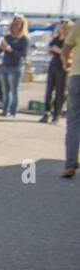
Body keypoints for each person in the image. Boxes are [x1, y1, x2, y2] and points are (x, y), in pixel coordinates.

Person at [0, 15, 30, 118]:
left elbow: (23, 55)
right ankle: (5, 110)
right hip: (5, 65)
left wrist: (10, 49)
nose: (16, 25)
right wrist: (1, 47)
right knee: (5, 90)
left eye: (18, 23)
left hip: (16, 67)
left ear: (22, 25)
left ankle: (13, 111)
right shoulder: (7, 37)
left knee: (14, 91)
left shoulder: (24, 39)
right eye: (14, 23)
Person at [42, 20, 72, 123]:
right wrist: (54, 50)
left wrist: (59, 51)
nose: (64, 29)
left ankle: (56, 115)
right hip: (53, 65)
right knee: (49, 90)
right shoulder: (56, 39)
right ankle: (46, 113)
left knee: (60, 92)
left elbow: (69, 54)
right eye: (62, 27)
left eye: (66, 27)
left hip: (63, 67)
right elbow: (49, 49)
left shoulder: (70, 41)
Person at [62, 19, 80, 178]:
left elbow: (65, 50)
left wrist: (66, 63)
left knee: (74, 121)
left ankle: (70, 165)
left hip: (77, 76)